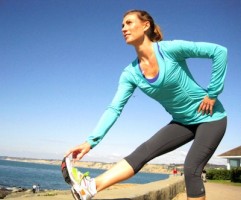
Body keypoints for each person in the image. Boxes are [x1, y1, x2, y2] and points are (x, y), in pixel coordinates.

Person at [65, 10, 227, 200]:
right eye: (122, 25)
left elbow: (219, 51)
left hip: (211, 118)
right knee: (143, 151)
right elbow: (114, 108)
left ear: (145, 25)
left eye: (128, 23)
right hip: (182, 122)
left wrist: (212, 93)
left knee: (191, 168)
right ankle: (90, 187)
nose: (123, 28)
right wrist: (90, 141)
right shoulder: (130, 73)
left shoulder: (169, 50)